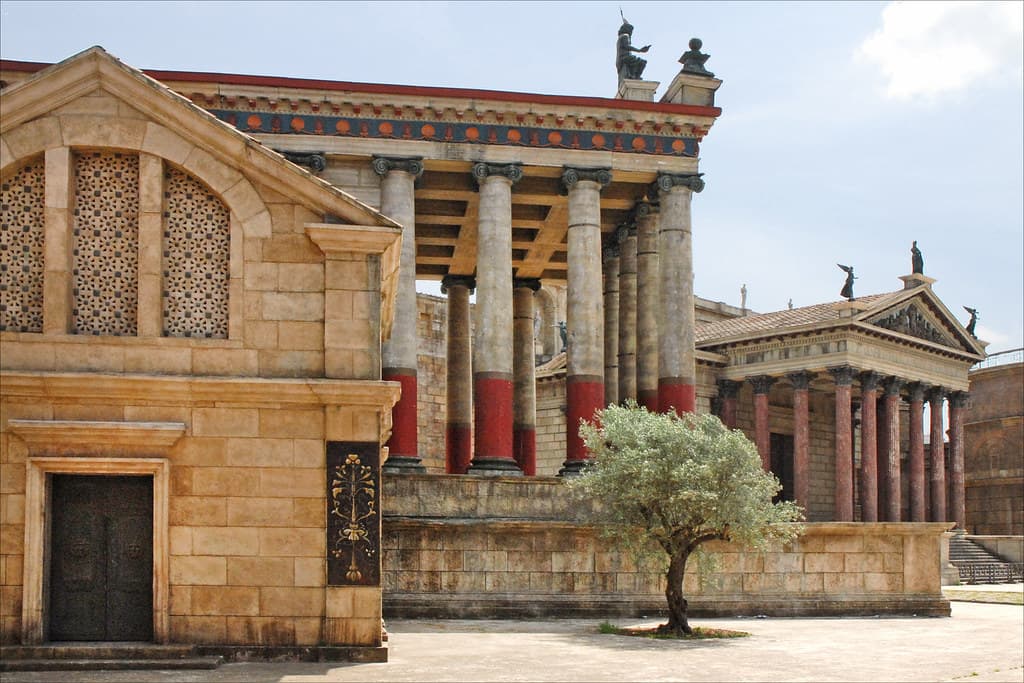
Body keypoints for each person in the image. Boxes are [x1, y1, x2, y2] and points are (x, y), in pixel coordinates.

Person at [616, 16, 650, 81]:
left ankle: (634, 76)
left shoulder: (621, 37)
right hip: (624, 57)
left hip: (622, 58)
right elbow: (626, 46)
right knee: (642, 62)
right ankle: (635, 76)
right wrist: (639, 50)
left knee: (638, 61)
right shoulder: (625, 36)